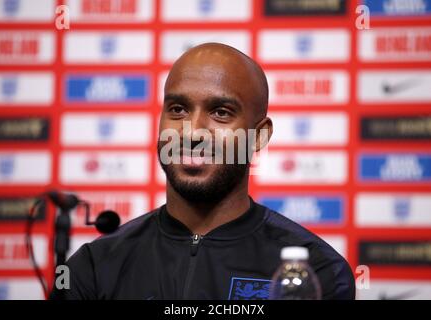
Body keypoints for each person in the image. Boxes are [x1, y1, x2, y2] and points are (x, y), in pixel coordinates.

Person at [50, 43, 355, 300]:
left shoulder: (316, 273)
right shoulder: (92, 268)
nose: (192, 132)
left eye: (221, 112)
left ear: (258, 136)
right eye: (178, 109)